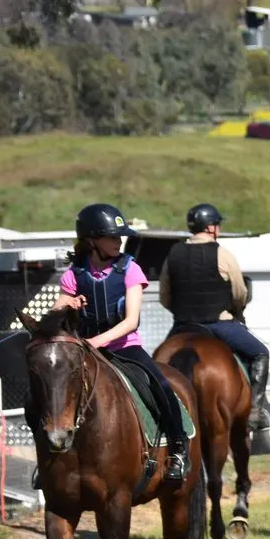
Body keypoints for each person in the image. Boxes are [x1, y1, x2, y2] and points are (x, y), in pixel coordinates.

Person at [51, 203, 190, 482]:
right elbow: (56, 312)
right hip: (84, 351)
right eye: (112, 237)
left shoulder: (131, 270)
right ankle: (48, 458)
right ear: (91, 241)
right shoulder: (73, 274)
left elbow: (130, 322)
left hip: (125, 348)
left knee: (160, 385)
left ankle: (178, 447)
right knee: (49, 392)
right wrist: (70, 305)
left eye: (120, 237)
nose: (118, 242)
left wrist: (96, 342)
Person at [159, 203, 270, 429]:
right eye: (217, 224)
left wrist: (183, 314)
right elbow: (239, 292)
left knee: (159, 362)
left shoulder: (173, 253)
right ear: (211, 227)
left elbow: (165, 296)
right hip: (219, 324)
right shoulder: (222, 253)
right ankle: (255, 411)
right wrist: (237, 311)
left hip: (183, 326)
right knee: (260, 353)